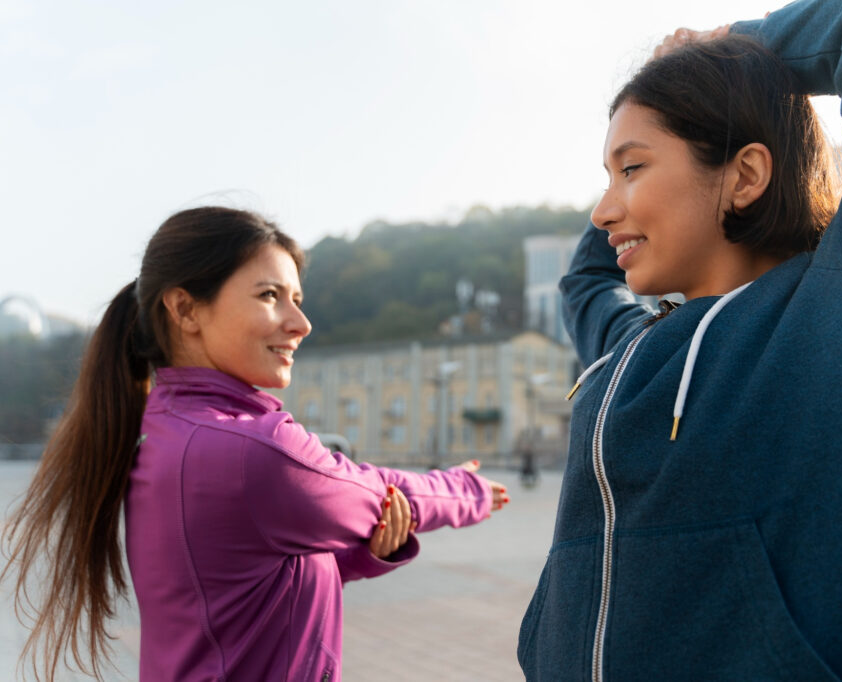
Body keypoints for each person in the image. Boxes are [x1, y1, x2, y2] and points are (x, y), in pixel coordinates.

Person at [517, 0, 842, 679]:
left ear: (745, 175)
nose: (603, 209)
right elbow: (585, 280)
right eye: (606, 176)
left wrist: (727, 54)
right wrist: (668, 95)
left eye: (632, 168)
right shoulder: (625, 355)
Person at [1, 206, 508, 681]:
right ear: (184, 309)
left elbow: (244, 585)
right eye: (270, 295)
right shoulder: (249, 450)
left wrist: (363, 555)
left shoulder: (162, 428)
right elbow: (387, 493)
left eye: (298, 299)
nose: (301, 324)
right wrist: (471, 489)